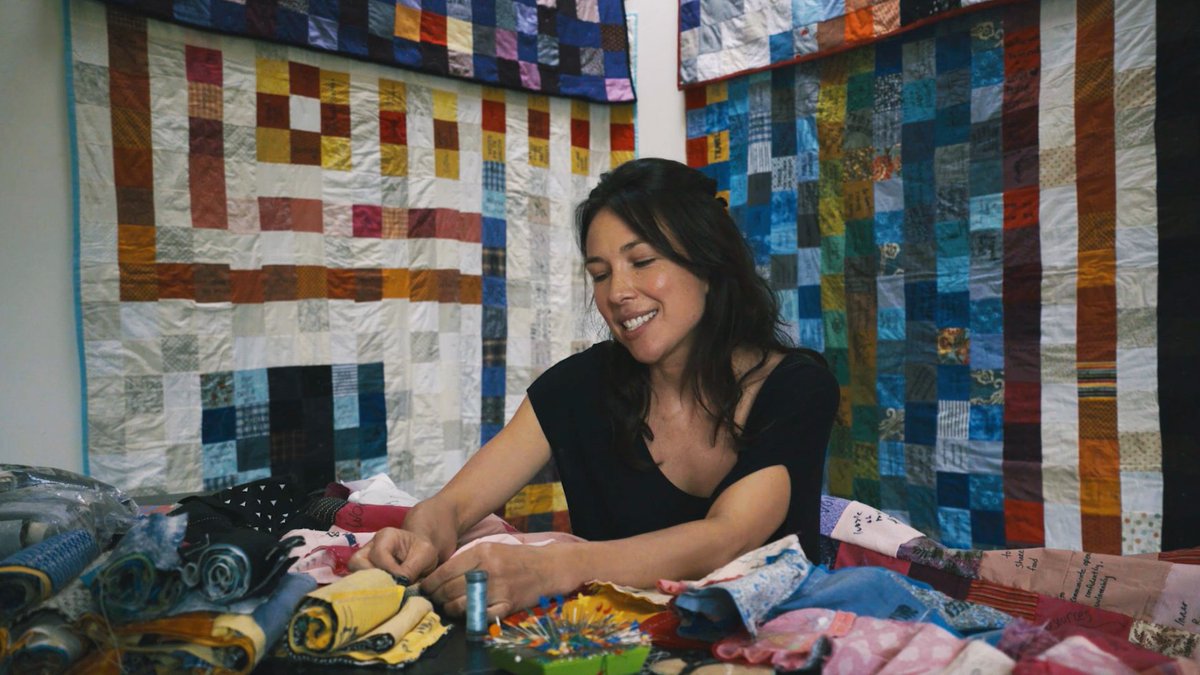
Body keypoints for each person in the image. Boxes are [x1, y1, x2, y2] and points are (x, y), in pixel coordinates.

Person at [349, 158, 839, 619]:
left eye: (641, 261)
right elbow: (453, 506)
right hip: (609, 652)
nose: (616, 292)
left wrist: (553, 568)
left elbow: (729, 538)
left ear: (709, 265)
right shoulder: (577, 386)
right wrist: (421, 538)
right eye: (600, 274)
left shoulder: (796, 387)